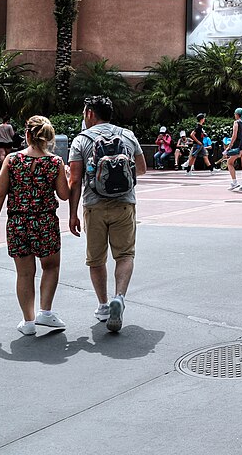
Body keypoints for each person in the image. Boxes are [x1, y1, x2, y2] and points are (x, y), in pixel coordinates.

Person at [67, 95, 147, 332]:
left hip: (94, 206)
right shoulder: (128, 135)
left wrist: (72, 215)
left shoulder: (81, 140)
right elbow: (141, 169)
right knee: (125, 255)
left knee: (96, 259)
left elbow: (75, 180)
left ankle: (103, 305)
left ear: (90, 113)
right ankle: (119, 297)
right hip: (124, 204)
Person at [0, 115, 70, 336]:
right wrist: (68, 177)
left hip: (18, 222)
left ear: (26, 135)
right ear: (48, 137)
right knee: (50, 267)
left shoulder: (13, 160)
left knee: (24, 274)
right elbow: (64, 195)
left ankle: (28, 321)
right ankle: (46, 311)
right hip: (45, 221)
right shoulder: (55, 162)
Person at [224, 107, 242, 192]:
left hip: (239, 146)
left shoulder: (236, 123)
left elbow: (234, 136)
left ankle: (234, 182)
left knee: (229, 162)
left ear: (237, 114)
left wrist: (229, 146)